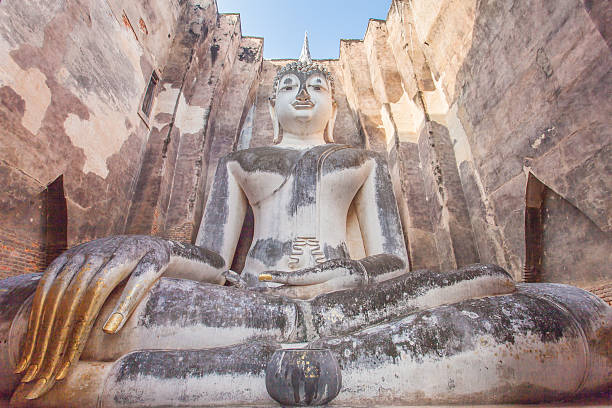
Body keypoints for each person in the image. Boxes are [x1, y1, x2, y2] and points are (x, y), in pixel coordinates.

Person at [2, 37, 611, 407]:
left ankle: (155, 386)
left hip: (358, 301)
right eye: (288, 83)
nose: (300, 89)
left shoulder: (362, 161)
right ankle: (343, 371)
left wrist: (342, 273)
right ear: (270, 102)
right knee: (47, 300)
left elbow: (392, 259)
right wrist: (153, 249)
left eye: (314, 83)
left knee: (513, 292)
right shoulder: (241, 160)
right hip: (250, 301)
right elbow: (214, 261)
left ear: (332, 102)